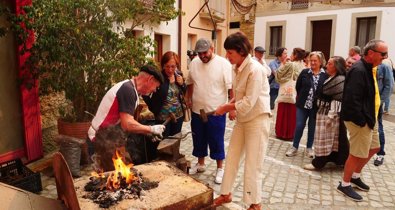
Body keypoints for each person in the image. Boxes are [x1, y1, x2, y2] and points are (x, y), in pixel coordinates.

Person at [212, 32, 270, 210]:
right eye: (227, 52)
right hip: (243, 120)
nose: (227, 56)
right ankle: (226, 193)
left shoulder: (256, 70)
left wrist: (225, 108)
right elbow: (239, 95)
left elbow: (247, 104)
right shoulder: (235, 66)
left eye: (230, 52)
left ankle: (255, 203)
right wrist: (228, 104)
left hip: (257, 120)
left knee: (253, 164)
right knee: (233, 157)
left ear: (241, 51)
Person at [337, 39, 388, 201]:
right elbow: (352, 100)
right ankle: (344, 184)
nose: (385, 57)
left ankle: (355, 176)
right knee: (357, 153)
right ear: (371, 53)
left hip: (369, 117)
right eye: (383, 53)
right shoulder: (359, 70)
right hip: (359, 119)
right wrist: (362, 121)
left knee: (375, 147)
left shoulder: (370, 68)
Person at [87, 65, 165, 166]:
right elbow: (127, 124)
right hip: (99, 140)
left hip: (108, 138)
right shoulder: (127, 90)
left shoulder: (130, 88)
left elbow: (128, 121)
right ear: (150, 79)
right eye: (156, 86)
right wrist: (151, 129)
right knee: (109, 178)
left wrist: (146, 132)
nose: (155, 90)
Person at [184, 38, 232, 184]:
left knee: (216, 139)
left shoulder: (223, 64)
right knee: (198, 138)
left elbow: (231, 88)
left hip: (216, 111)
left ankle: (220, 168)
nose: (202, 56)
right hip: (197, 110)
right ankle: (200, 164)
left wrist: (231, 108)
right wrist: (187, 97)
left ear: (212, 48)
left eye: (205, 52)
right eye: (200, 53)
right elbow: (190, 82)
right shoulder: (194, 63)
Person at [304, 56, 349, 170]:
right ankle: (334, 158)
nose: (326, 65)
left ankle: (319, 162)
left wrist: (331, 116)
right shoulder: (331, 77)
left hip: (330, 114)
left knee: (325, 139)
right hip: (323, 112)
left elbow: (337, 99)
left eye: (330, 64)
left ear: (336, 67)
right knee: (330, 139)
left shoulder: (340, 80)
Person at [285, 51, 327, 158]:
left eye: (315, 61)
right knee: (299, 125)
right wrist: (303, 97)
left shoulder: (325, 75)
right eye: (311, 60)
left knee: (312, 127)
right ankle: (294, 147)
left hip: (316, 107)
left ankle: (309, 148)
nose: (312, 63)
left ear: (320, 62)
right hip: (302, 105)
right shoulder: (304, 72)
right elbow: (298, 87)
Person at [142, 51, 186, 138]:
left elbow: (183, 92)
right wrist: (153, 109)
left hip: (178, 117)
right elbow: (145, 93)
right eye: (167, 66)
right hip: (162, 118)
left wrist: (182, 84)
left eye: (173, 66)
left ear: (177, 65)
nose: (170, 70)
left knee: (175, 142)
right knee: (163, 144)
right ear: (163, 65)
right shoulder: (158, 77)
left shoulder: (179, 75)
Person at [275, 48, 306, 140]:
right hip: (297, 93)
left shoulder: (290, 64)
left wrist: (283, 63)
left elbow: (278, 75)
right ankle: (291, 134)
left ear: (295, 55)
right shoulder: (303, 65)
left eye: (292, 53)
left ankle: (282, 133)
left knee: (284, 112)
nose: (290, 55)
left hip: (287, 91)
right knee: (293, 114)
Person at [373, 61, 394, 166]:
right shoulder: (367, 66)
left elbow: (389, 86)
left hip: (377, 104)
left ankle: (380, 154)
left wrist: (379, 102)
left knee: (378, 128)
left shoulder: (384, 67)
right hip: (365, 104)